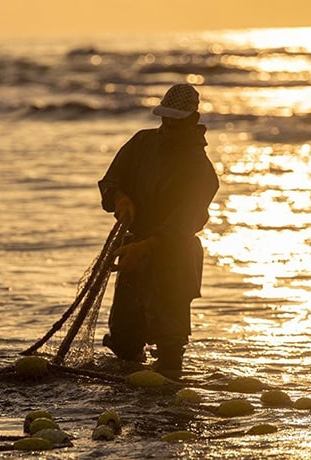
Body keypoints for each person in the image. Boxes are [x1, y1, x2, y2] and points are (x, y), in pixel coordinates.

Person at [98, 83, 219, 374]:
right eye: (164, 120)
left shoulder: (201, 170)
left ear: (192, 121)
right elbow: (111, 181)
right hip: (134, 249)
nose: (168, 127)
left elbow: (184, 223)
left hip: (174, 260)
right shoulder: (141, 143)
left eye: (175, 122)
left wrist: (146, 247)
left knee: (170, 345)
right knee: (125, 343)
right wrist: (120, 199)